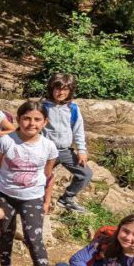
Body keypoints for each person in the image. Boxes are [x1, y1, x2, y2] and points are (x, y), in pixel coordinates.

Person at [0, 100, 59, 266]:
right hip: (4, 195)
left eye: (37, 119)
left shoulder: (49, 147)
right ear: (18, 120)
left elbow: (48, 176)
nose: (31, 123)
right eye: (26, 118)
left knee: (33, 238)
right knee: (5, 232)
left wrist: (46, 201)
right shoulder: (5, 141)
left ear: (45, 122)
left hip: (32, 197)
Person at [42, 73, 93, 214]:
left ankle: (67, 198)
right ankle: (38, 200)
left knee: (85, 174)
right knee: (42, 176)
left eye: (65, 89)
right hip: (47, 150)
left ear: (70, 91)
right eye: (58, 89)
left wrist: (81, 150)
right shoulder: (43, 107)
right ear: (51, 89)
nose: (61, 92)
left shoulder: (73, 108)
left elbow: (78, 130)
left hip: (65, 150)